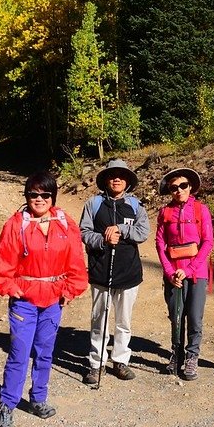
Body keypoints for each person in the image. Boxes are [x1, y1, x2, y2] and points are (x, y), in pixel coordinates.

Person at [0, 171, 88, 427]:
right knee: (19, 354)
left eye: (45, 194)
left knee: (45, 351)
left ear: (53, 197)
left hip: (53, 300)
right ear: (26, 196)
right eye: (33, 194)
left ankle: (38, 398)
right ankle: (7, 406)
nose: (39, 199)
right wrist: (11, 288)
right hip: (24, 299)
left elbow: (76, 260)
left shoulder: (65, 223)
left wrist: (70, 290)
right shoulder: (15, 224)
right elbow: (4, 260)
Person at [79, 159, 150, 385]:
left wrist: (121, 229)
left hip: (129, 272)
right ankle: (96, 363)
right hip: (101, 272)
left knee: (123, 321)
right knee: (99, 320)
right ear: (106, 180)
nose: (116, 178)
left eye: (121, 175)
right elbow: (83, 232)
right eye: (112, 175)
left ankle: (120, 360)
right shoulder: (94, 203)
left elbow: (143, 231)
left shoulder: (136, 205)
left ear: (127, 180)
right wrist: (102, 239)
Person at [155, 167, 214, 381]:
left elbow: (208, 242)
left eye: (183, 186)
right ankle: (176, 354)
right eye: (174, 187)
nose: (179, 190)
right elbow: (160, 243)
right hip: (173, 275)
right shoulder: (165, 212)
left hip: (196, 272)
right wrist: (170, 272)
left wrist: (188, 269)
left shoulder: (201, 210)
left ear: (190, 187)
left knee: (195, 318)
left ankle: (192, 357)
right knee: (176, 316)